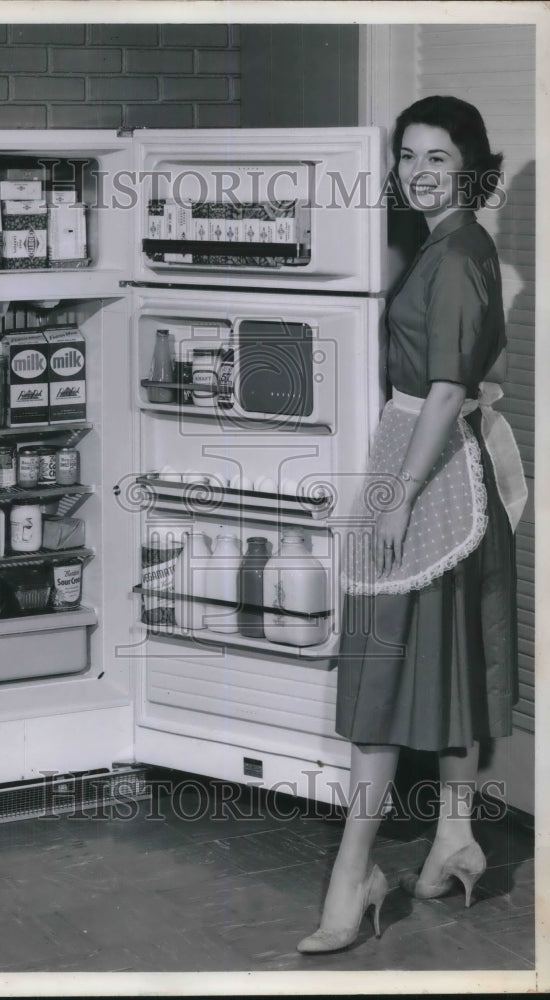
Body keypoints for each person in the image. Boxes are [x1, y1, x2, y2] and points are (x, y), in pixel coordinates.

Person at [297, 95, 528, 954]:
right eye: (407, 156)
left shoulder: (459, 256)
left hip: (427, 473)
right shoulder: (451, 245)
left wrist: (394, 494)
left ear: (470, 166)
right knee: (448, 658)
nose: (419, 171)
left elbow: (441, 391)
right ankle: (454, 835)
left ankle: (355, 875)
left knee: (383, 676)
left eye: (437, 157)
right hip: (434, 466)